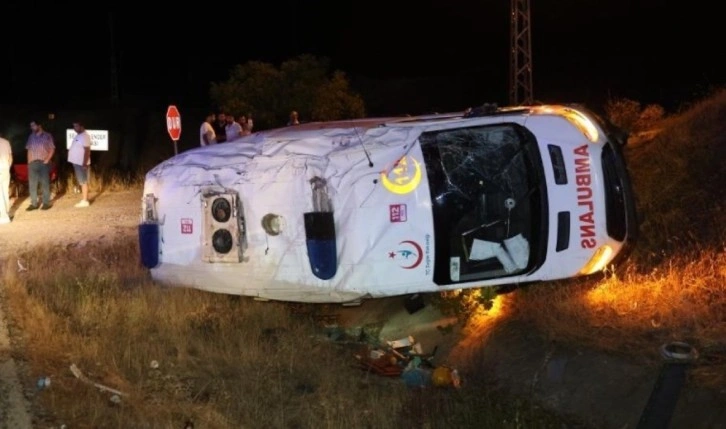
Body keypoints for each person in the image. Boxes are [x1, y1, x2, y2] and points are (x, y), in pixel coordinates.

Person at [25, 120, 55, 211]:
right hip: (33, 163)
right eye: (31, 126)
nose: (32, 128)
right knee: (32, 184)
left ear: (39, 125)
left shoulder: (47, 136)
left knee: (45, 183)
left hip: (43, 163)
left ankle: (46, 203)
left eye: (33, 126)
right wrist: (29, 162)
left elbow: (52, 149)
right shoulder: (31, 136)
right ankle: (34, 203)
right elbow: (29, 149)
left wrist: (47, 159)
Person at [68, 121, 92, 208]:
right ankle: (84, 199)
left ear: (82, 126)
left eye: (76, 126)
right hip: (77, 162)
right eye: (74, 126)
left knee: (83, 181)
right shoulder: (78, 135)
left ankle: (85, 201)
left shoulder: (85, 136)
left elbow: (87, 150)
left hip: (81, 163)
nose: (74, 128)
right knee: (82, 181)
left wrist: (84, 163)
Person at [0, 135, 12, 224]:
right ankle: (6, 213)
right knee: (4, 192)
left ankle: (3, 216)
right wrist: (8, 167)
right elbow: (10, 157)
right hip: (5, 168)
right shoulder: (6, 142)